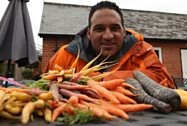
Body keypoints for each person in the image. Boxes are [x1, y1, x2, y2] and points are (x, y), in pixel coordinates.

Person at [45, 1, 174, 88]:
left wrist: (103, 79)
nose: (108, 36)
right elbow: (43, 88)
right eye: (99, 29)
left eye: (115, 28)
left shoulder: (140, 50)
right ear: (89, 33)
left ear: (123, 31)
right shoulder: (66, 55)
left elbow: (165, 82)